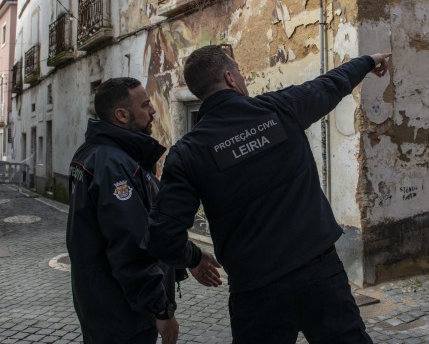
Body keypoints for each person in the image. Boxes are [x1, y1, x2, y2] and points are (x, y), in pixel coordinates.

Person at [147, 46, 391, 343]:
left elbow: (162, 237)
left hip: (254, 291)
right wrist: (367, 62)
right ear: (229, 77)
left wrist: (194, 258)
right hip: (320, 274)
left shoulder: (187, 154)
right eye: (238, 71)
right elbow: (330, 84)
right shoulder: (280, 108)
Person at [66, 77, 221, 344]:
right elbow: (133, 245)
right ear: (122, 115)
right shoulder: (113, 165)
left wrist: (190, 257)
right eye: (146, 105)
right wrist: (160, 310)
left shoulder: (97, 155)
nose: (152, 111)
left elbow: (147, 228)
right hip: (123, 315)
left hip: (106, 308)